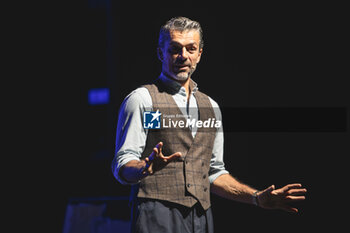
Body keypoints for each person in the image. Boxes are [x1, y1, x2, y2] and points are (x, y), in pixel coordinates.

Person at [112, 16, 307, 233]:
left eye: (190, 49)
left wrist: (256, 198)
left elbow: (213, 173)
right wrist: (143, 168)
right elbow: (122, 164)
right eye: (175, 49)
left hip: (201, 217)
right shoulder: (142, 99)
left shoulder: (210, 107)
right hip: (156, 214)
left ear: (199, 54)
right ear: (160, 53)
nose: (183, 56)